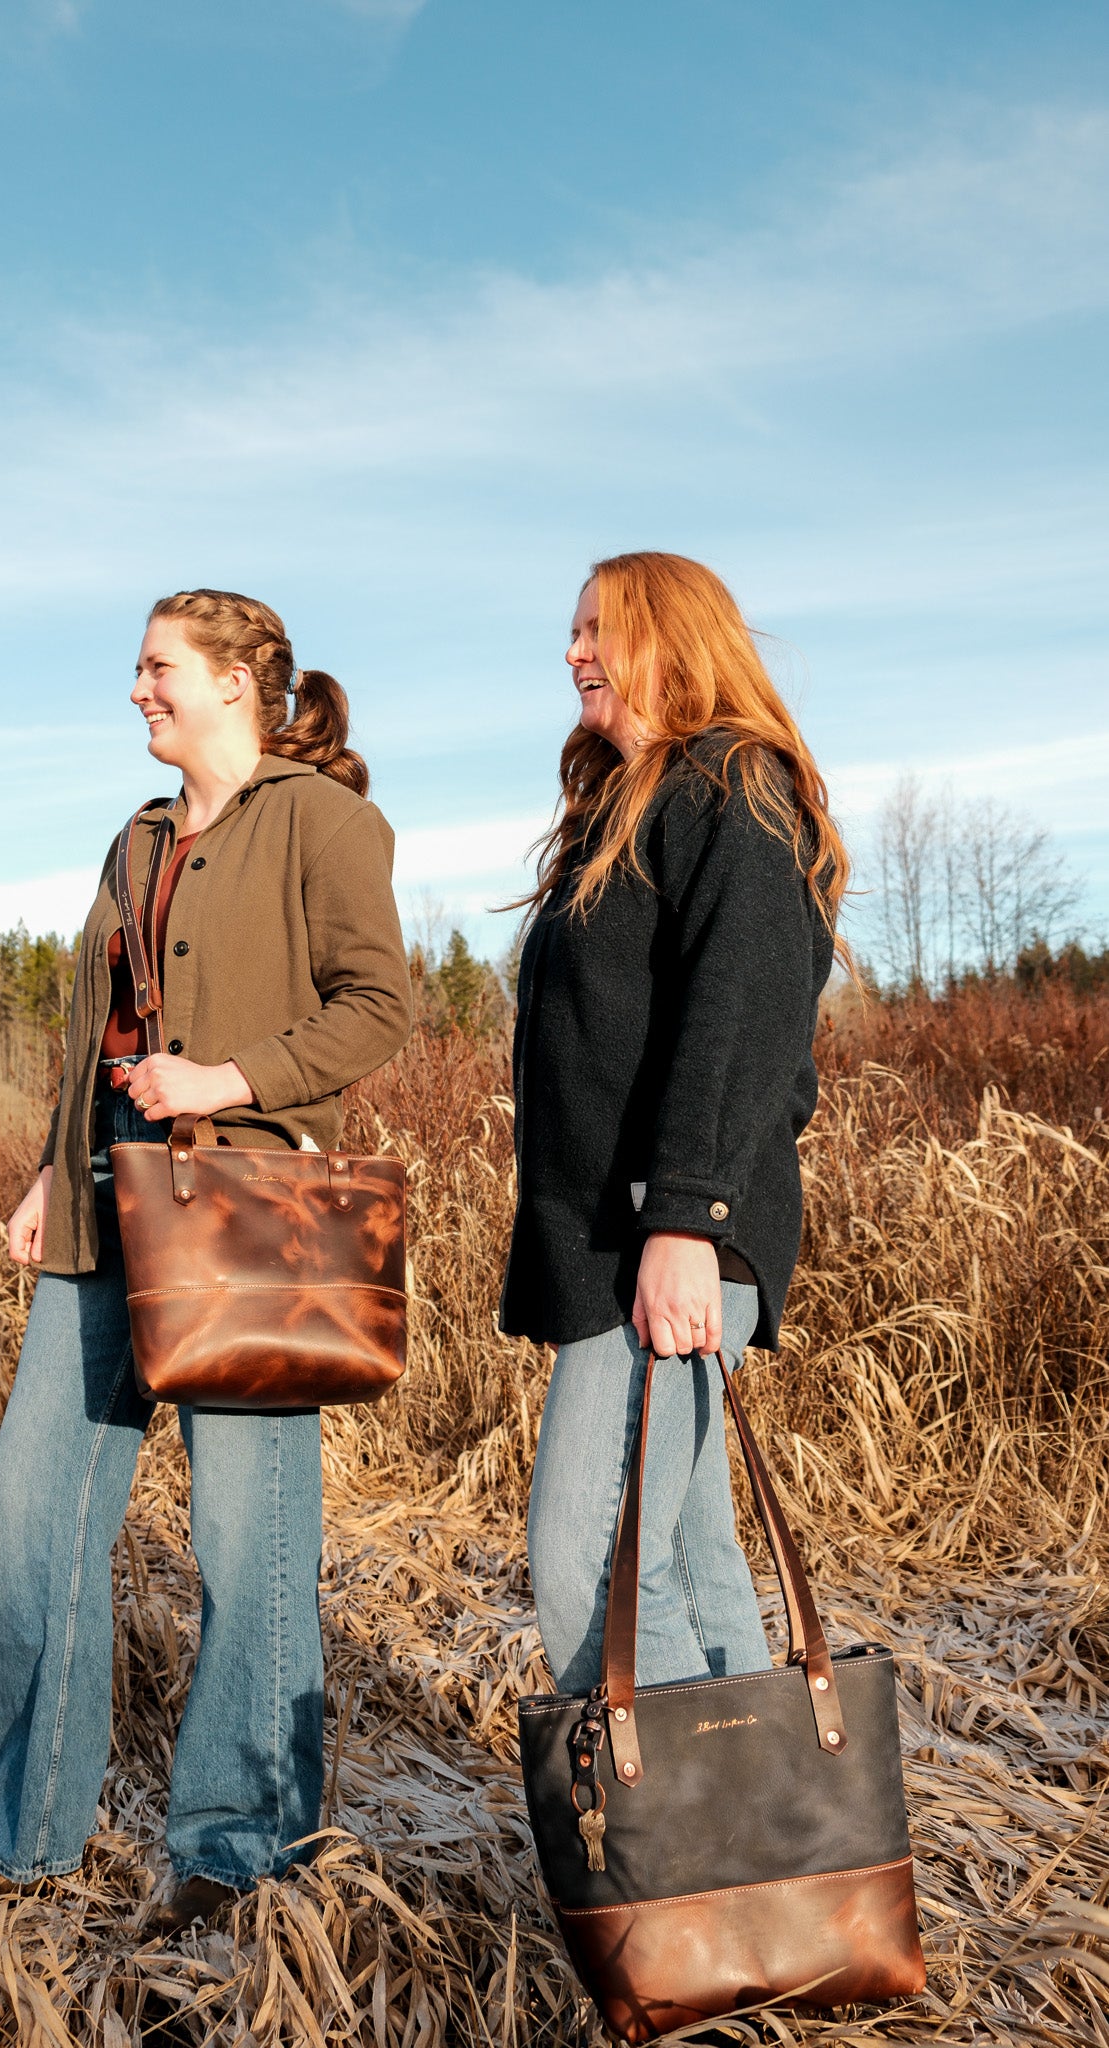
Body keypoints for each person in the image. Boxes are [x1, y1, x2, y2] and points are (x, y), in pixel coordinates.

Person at [0, 589, 412, 1927]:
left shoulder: (323, 821)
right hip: (97, 1213)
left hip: (248, 1217)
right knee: (30, 1519)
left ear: (239, 682)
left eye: (157, 668)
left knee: (250, 1539)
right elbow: (93, 1034)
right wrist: (43, 1173)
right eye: (138, 668)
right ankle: (29, 1835)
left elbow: (378, 1009)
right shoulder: (132, 840)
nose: (137, 689)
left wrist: (230, 1075)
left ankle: (237, 1853)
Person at [501, 552, 849, 1695]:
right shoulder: (639, 797)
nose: (573, 652)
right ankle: (772, 1845)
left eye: (598, 628)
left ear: (668, 637)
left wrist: (687, 1218)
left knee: (591, 1564)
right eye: (573, 631)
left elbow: (737, 1016)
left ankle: (673, 1867)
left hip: (667, 1236)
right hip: (628, 1235)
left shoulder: (729, 784)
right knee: (691, 1565)